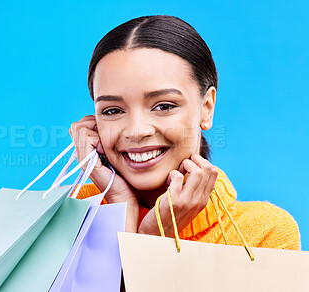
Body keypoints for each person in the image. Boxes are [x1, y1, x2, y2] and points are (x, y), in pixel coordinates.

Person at [69, 15, 300, 250]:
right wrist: (120, 207)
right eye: (113, 110)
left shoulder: (263, 234)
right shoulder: (65, 220)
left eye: (164, 106)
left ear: (206, 108)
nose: (136, 131)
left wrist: (154, 238)